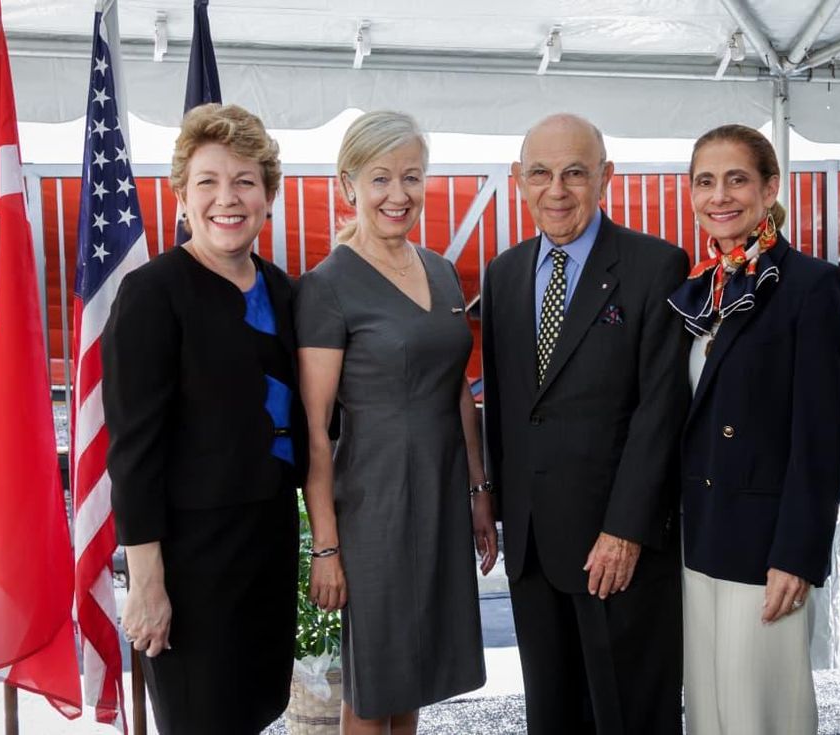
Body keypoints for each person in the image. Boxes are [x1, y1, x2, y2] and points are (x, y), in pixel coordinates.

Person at [481, 113, 691, 735]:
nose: (558, 189)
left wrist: (625, 530)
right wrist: (494, 506)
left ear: (606, 177)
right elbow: (508, 400)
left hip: (616, 549)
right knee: (550, 715)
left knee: (629, 716)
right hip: (532, 547)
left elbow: (661, 410)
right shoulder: (504, 273)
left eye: (575, 171)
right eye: (541, 173)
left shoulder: (656, 267)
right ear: (518, 181)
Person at [103, 103, 306, 735]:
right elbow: (134, 452)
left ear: (268, 196)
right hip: (190, 562)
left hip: (268, 541)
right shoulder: (153, 294)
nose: (229, 198)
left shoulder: (283, 289)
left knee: (254, 710)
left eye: (245, 181)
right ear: (183, 199)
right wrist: (147, 582)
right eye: (209, 182)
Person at [294, 110, 497, 735]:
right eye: (380, 178)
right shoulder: (327, 286)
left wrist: (478, 489)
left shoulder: (439, 269)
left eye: (412, 177)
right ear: (348, 184)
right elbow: (314, 429)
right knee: (377, 679)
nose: (398, 194)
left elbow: (457, 387)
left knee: (417, 670)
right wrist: (326, 546)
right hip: (373, 503)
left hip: (437, 493)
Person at [668, 124, 840, 735]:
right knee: (710, 713)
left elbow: (820, 437)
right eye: (705, 181)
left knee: (759, 717)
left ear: (770, 187)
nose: (719, 196)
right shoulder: (700, 289)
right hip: (698, 540)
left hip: (765, 549)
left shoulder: (811, 284)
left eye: (736, 179)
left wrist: (796, 557)